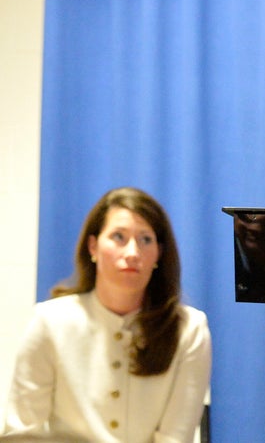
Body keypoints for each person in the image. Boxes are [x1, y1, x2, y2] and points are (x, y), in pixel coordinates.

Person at [2, 187, 212, 443]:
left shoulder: (189, 329)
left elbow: (175, 438)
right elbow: (22, 433)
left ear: (158, 252)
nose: (132, 253)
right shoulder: (50, 322)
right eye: (119, 237)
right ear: (93, 246)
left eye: (145, 239)